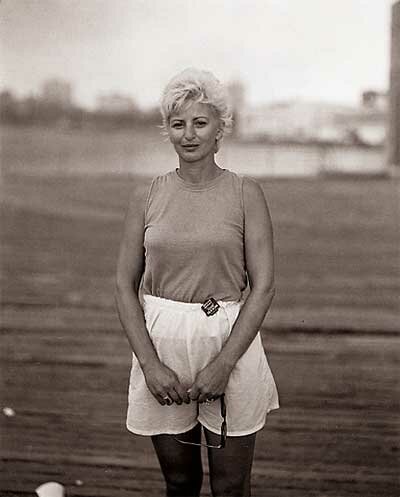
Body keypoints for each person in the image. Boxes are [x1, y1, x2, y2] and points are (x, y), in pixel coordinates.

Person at [115, 68, 279, 497]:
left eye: (200, 122)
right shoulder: (147, 195)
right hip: (162, 340)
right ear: (167, 131)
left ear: (221, 129)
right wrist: (150, 364)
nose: (189, 134)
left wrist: (224, 363)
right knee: (180, 481)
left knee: (229, 485)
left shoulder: (246, 193)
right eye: (178, 123)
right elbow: (123, 285)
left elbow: (262, 287)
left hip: (228, 339)